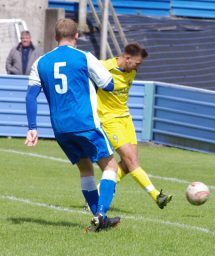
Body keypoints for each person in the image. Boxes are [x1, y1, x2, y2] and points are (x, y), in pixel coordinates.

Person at [25, 18, 120, 232]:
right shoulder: (84, 57)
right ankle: (102, 213)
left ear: (55, 36)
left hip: (60, 129)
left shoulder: (40, 62)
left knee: (85, 168)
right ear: (77, 35)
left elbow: (31, 96)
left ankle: (98, 218)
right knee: (111, 167)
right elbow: (109, 84)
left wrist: (32, 128)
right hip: (85, 123)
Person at [97, 43, 172, 209]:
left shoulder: (132, 70)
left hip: (125, 118)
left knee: (129, 163)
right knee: (131, 160)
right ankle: (156, 196)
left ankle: (99, 194)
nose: (139, 67)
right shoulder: (104, 67)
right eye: (137, 63)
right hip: (109, 120)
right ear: (127, 58)